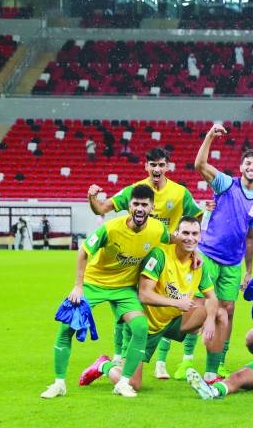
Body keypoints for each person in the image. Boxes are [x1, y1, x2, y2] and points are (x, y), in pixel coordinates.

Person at [40, 185, 171, 399]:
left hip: (124, 289)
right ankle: (59, 383)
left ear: (152, 207)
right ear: (129, 206)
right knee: (66, 328)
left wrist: (194, 253)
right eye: (136, 204)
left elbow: (174, 239)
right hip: (94, 284)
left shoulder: (157, 229)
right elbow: (83, 252)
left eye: (144, 204)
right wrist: (78, 285)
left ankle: (124, 383)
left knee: (140, 326)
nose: (139, 208)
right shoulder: (110, 228)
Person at [77, 216, 225, 394]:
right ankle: (104, 365)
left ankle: (210, 375)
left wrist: (209, 319)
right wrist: (177, 302)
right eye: (185, 233)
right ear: (176, 234)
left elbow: (212, 297)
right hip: (145, 326)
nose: (190, 238)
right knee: (133, 384)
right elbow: (144, 295)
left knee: (220, 314)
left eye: (195, 233)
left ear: (200, 236)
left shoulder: (198, 263)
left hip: (172, 320)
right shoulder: (160, 255)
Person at [88, 147, 204, 371]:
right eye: (153, 165)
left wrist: (194, 248)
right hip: (138, 258)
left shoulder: (179, 193)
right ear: (146, 166)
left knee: (173, 307)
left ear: (168, 167)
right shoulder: (135, 191)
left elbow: (195, 219)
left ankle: (161, 361)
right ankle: (119, 355)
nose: (157, 169)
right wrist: (93, 198)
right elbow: (101, 208)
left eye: (161, 165)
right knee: (126, 309)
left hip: (168, 259)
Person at [193, 124, 253, 380]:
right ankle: (188, 359)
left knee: (229, 310)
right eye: (248, 163)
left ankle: (219, 362)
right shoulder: (226, 183)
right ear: (242, 167)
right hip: (208, 255)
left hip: (233, 263)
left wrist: (248, 270)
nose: (251, 168)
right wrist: (209, 136)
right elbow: (200, 165)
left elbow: (250, 239)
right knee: (201, 307)